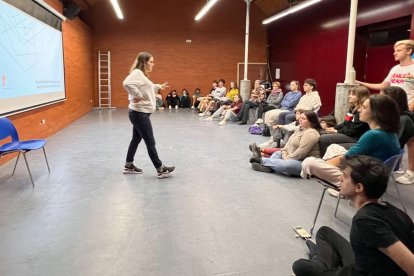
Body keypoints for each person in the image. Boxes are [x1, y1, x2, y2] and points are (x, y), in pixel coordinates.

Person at [292, 155, 414, 276]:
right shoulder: (394, 211)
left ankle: (318, 259)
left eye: (344, 177)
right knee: (324, 232)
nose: (340, 179)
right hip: (364, 264)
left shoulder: (366, 221)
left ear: (359, 187)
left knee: (300, 266)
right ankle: (319, 260)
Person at [301, 94, 401, 189]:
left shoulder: (373, 135)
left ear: (377, 113)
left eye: (364, 107)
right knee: (334, 147)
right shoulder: (389, 131)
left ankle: (339, 184)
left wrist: (323, 164)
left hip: (361, 182)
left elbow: (345, 159)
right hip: (371, 173)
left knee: (308, 162)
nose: (360, 109)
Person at [122, 51, 175, 178]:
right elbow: (127, 83)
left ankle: (128, 165)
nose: (153, 64)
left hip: (138, 113)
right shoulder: (137, 73)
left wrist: (157, 86)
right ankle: (160, 169)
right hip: (139, 114)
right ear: (144, 62)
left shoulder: (141, 75)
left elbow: (145, 86)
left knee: (136, 139)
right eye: (151, 61)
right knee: (150, 141)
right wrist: (138, 96)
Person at [249, 110, 321, 177]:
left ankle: (261, 160)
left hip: (304, 162)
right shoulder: (300, 128)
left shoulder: (311, 133)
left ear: (311, 121)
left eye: (304, 118)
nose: (300, 119)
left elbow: (301, 153)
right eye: (300, 117)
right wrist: (284, 152)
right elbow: (288, 144)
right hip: (290, 156)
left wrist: (288, 158)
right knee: (278, 153)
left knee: (287, 165)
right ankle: (269, 168)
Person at [356, 39, 414, 111]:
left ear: (409, 51)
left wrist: (409, 110)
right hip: (392, 108)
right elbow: (383, 86)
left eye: (399, 51)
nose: (394, 53)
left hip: (407, 110)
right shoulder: (395, 68)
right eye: (395, 51)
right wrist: (360, 83)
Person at [318, 86, 370, 156]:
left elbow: (353, 131)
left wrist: (336, 131)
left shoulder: (360, 112)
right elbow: (345, 123)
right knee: (321, 132)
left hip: (355, 138)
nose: (349, 96)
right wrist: (334, 128)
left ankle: (324, 159)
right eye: (349, 94)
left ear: (361, 96)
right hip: (348, 133)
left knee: (324, 139)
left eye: (353, 94)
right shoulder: (352, 108)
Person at [381, 86, 414, 185]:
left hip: (381, 159)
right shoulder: (392, 116)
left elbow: (393, 145)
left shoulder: (403, 120)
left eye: (382, 98)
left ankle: (411, 172)